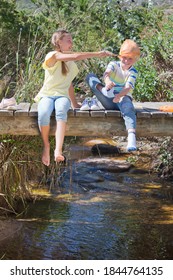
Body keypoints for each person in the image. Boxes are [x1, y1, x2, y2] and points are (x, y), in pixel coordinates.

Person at [34, 29, 114, 166]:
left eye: (72, 40)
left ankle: (58, 151)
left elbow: (69, 84)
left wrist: (74, 103)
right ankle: (46, 146)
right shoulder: (52, 55)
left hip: (62, 96)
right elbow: (76, 56)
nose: (71, 42)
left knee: (61, 111)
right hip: (47, 94)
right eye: (68, 40)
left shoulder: (71, 64)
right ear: (59, 42)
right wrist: (97, 54)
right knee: (44, 113)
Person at [85, 39, 140, 152]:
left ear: (134, 60)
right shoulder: (114, 64)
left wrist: (119, 96)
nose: (126, 60)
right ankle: (96, 100)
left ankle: (131, 138)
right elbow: (106, 74)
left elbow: (128, 87)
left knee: (128, 106)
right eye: (124, 57)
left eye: (130, 58)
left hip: (121, 99)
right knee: (90, 76)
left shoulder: (133, 71)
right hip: (108, 97)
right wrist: (108, 81)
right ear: (120, 56)